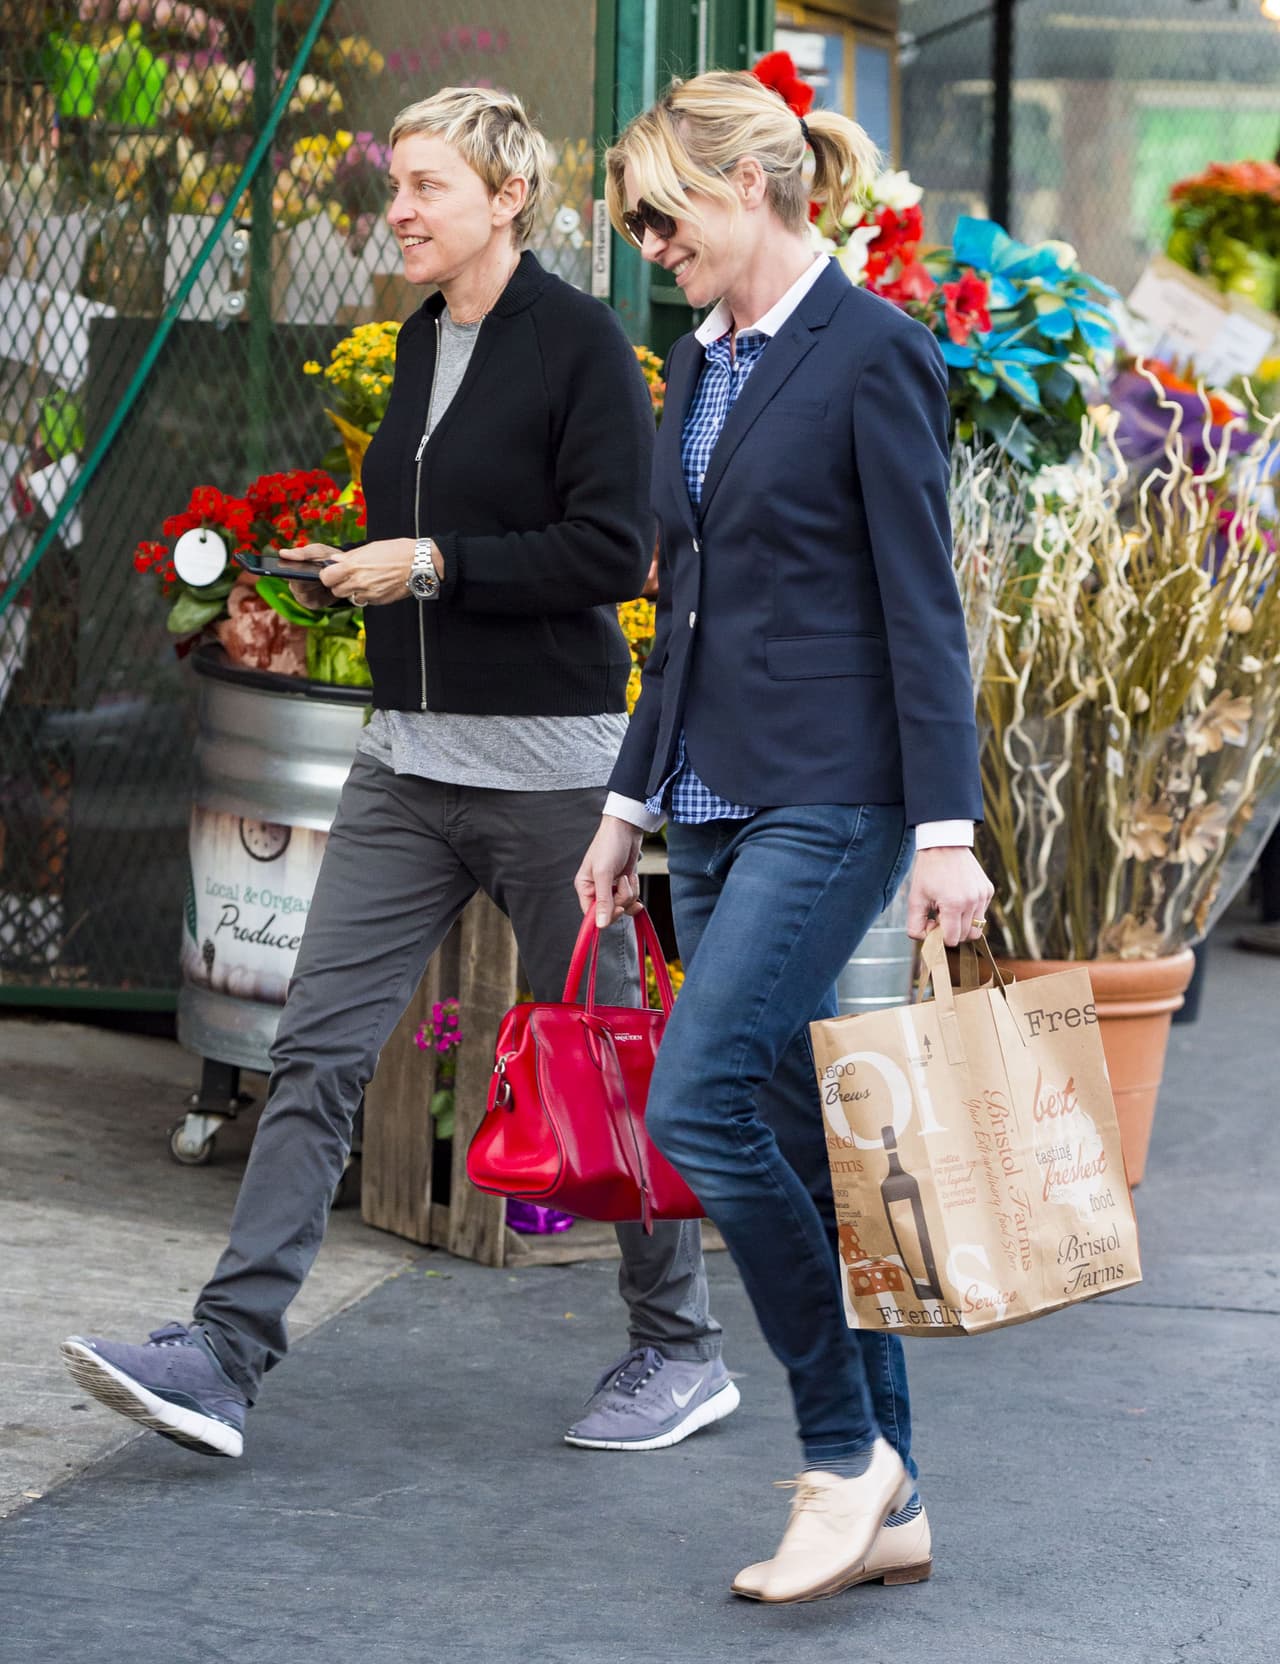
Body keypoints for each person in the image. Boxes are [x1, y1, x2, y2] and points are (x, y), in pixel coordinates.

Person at [62, 86, 735, 1462]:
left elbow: (615, 554)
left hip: (553, 782)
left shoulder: (584, 345)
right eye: (396, 188)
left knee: (600, 1066)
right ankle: (224, 1360)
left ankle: (681, 1349)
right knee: (315, 1050)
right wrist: (356, 570)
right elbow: (435, 538)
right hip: (407, 767)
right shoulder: (428, 342)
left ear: (505, 197)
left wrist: (429, 565)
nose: (402, 212)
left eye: (429, 185)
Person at [576, 71, 994, 1604]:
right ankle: (898, 1496)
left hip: (839, 793)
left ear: (748, 188)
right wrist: (630, 805)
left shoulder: (874, 351)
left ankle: (839, 1456)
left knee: (696, 1105)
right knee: (809, 1148)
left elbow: (920, 607)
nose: (644, 242)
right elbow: (677, 616)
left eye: (659, 213)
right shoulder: (697, 367)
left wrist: (945, 829)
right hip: (708, 800)